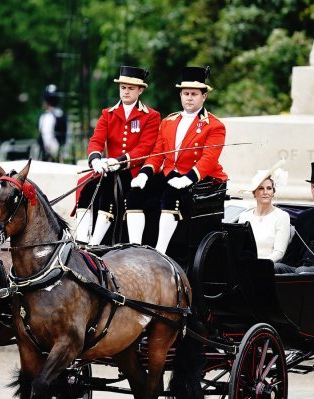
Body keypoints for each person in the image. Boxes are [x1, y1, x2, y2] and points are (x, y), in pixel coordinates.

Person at [134, 66, 228, 254]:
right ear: (181, 95)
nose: (189, 97)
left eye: (194, 93)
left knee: (170, 195)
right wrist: (145, 173)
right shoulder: (168, 121)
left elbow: (209, 159)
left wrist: (188, 178)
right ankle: (134, 248)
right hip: (170, 173)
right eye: (186, 93)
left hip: (198, 178)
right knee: (135, 194)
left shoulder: (215, 125)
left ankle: (160, 252)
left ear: (204, 97)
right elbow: (158, 153)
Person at [76, 66, 160, 245]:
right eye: (123, 88)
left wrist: (119, 162)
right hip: (108, 167)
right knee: (85, 185)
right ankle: (81, 238)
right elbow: (96, 140)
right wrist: (95, 159)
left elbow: (145, 148)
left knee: (109, 187)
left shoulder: (151, 116)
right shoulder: (108, 114)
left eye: (131, 88)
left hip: (134, 171)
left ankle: (95, 244)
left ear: (140, 90)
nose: (126, 92)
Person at [236, 162, 291, 262]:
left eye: (269, 188)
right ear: (254, 193)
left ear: (273, 192)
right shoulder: (244, 216)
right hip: (244, 267)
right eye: (261, 188)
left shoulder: (282, 216)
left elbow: (279, 252)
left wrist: (259, 266)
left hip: (268, 269)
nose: (265, 192)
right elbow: (239, 247)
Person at [38, 84, 67, 162]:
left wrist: (57, 154)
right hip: (60, 155)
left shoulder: (47, 116)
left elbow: (48, 140)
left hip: (51, 159)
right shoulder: (62, 114)